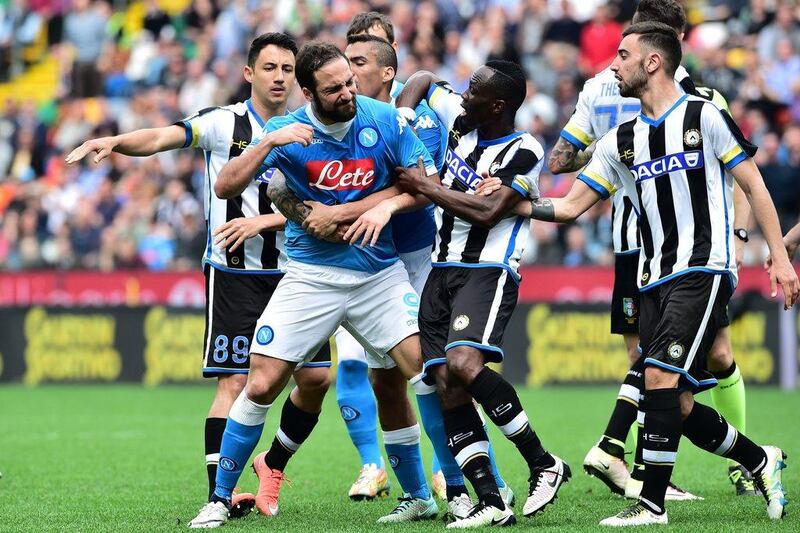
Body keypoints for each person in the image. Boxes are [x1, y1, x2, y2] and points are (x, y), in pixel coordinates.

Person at [485, 22, 795, 526]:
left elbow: (755, 188)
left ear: (653, 62)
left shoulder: (704, 116)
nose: (613, 65)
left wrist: (779, 257)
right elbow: (567, 208)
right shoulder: (621, 140)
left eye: (623, 55)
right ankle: (761, 460)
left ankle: (650, 504)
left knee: (656, 378)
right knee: (679, 403)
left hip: (701, 267)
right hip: (650, 275)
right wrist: (509, 204)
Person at [66, 33, 334, 520]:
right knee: (234, 383)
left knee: (316, 380)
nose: (279, 77)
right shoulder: (223, 123)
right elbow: (162, 137)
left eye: (288, 69)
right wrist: (116, 141)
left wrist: (267, 221)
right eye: (270, 67)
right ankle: (220, 495)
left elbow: (326, 205)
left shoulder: (315, 128)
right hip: (234, 275)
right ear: (249, 73)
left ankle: (271, 464)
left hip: (298, 274)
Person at [187, 41, 444, 529]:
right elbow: (226, 186)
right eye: (334, 89)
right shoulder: (285, 131)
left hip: (378, 274)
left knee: (425, 374)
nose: (348, 93)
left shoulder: (382, 118)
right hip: (310, 278)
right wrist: (266, 144)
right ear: (309, 92)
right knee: (260, 382)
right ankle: (220, 498)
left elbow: (421, 186)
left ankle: (422, 494)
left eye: (349, 81)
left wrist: (353, 211)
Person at [550, 0, 757, 499]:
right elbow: (569, 173)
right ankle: (655, 469)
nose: (619, 61)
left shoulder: (692, 100)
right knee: (672, 362)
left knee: (662, 361)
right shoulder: (632, 88)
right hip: (648, 245)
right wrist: (607, 153)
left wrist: (739, 237)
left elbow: (560, 160)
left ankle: (626, 453)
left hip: (676, 246)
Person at [337, 31, 513, 519]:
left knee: (431, 374)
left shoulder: (424, 115)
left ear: (386, 70)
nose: (348, 72)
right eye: (344, 60)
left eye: (359, 60)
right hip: (366, 263)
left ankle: (477, 485)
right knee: (381, 379)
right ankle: (414, 492)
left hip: (418, 261)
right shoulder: (335, 119)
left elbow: (426, 82)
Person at [391, 60, 568, 528]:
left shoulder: (524, 149)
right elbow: (423, 79)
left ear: (498, 105)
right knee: (446, 382)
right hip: (440, 269)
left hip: (486, 270)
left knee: (465, 365)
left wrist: (426, 185)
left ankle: (543, 462)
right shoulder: (461, 122)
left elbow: (490, 212)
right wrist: (405, 116)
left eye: (474, 89)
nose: (463, 93)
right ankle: (490, 499)